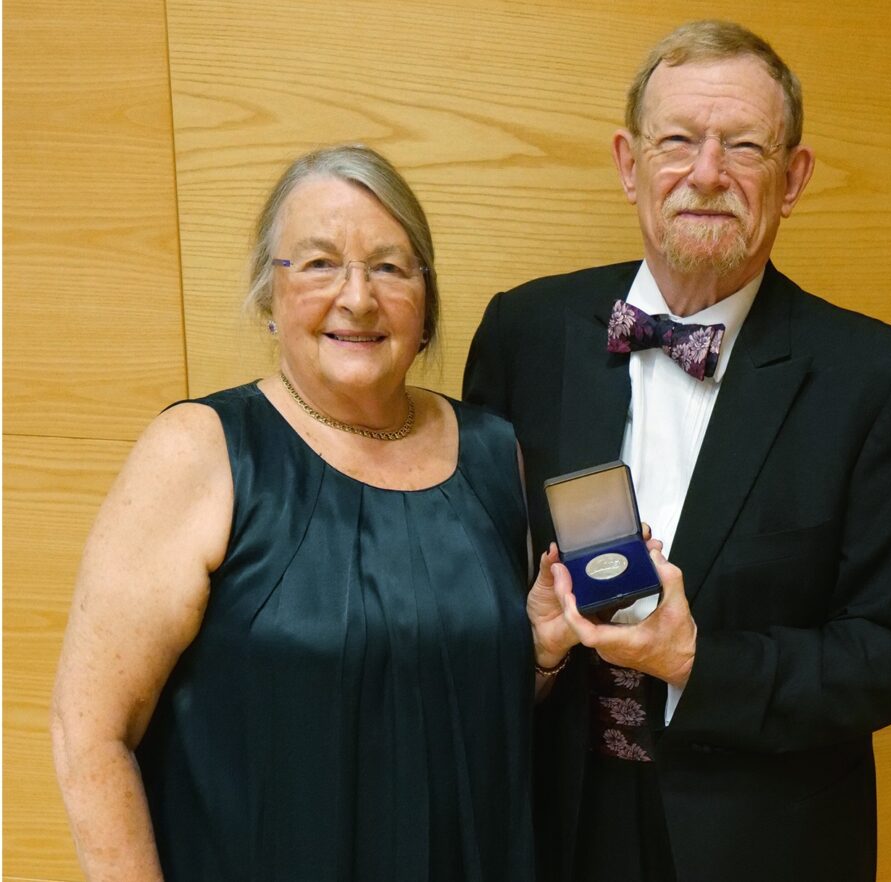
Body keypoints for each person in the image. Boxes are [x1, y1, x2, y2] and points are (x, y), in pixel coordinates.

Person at [464, 19, 891, 882]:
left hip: (763, 844)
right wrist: (534, 650)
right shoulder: (523, 332)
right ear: (629, 164)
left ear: (792, 179)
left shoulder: (880, 380)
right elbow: (468, 584)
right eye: (678, 141)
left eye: (745, 146)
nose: (707, 173)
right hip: (549, 826)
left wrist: (694, 662)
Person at [51, 144, 537, 881]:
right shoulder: (200, 451)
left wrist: (545, 655)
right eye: (318, 264)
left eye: (389, 267)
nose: (358, 297)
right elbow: (88, 734)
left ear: (426, 300)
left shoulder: (497, 455)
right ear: (268, 296)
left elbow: (470, 710)